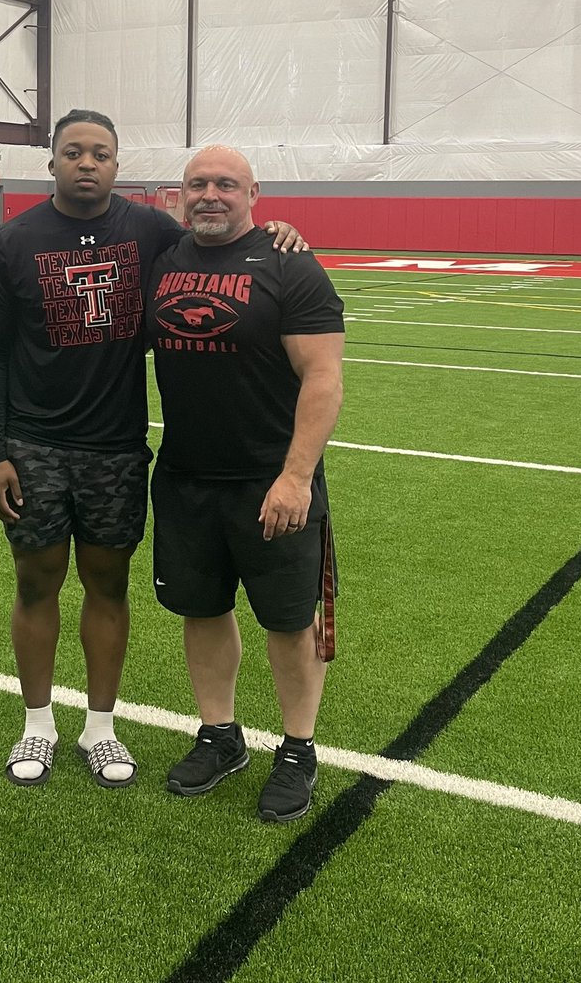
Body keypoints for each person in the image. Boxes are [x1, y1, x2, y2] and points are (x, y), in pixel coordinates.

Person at [0, 110, 304, 789]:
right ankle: (37, 725)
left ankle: (100, 728)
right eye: (73, 152)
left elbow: (220, 241)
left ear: (117, 165)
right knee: (35, 584)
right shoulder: (10, 243)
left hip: (116, 448)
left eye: (100, 153)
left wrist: (275, 233)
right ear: (53, 162)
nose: (86, 163)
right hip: (33, 445)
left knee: (108, 585)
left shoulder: (151, 231)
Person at [145, 144, 345, 822]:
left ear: (253, 194)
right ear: (178, 195)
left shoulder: (291, 263)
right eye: (197, 183)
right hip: (185, 477)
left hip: (271, 481)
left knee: (290, 622)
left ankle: (297, 748)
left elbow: (323, 378)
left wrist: (296, 477)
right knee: (201, 609)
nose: (210, 194)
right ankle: (220, 735)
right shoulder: (163, 260)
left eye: (225, 184)